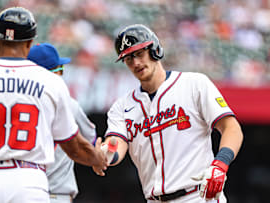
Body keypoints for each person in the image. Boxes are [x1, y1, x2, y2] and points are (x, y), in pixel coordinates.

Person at [0, 7, 106, 203]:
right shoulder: (50, 81)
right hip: (30, 180)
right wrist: (97, 159)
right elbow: (74, 147)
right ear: (30, 42)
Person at [98, 24, 243, 203]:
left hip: (198, 196)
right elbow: (116, 144)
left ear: (155, 50)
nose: (135, 63)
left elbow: (231, 128)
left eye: (139, 53)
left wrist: (220, 164)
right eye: (128, 58)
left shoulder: (194, 84)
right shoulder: (121, 107)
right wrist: (106, 154)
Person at [27, 43, 97, 203]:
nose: (62, 75)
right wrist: (100, 159)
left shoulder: (16, 105)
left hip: (22, 192)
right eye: (60, 70)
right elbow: (91, 141)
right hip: (57, 195)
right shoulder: (69, 104)